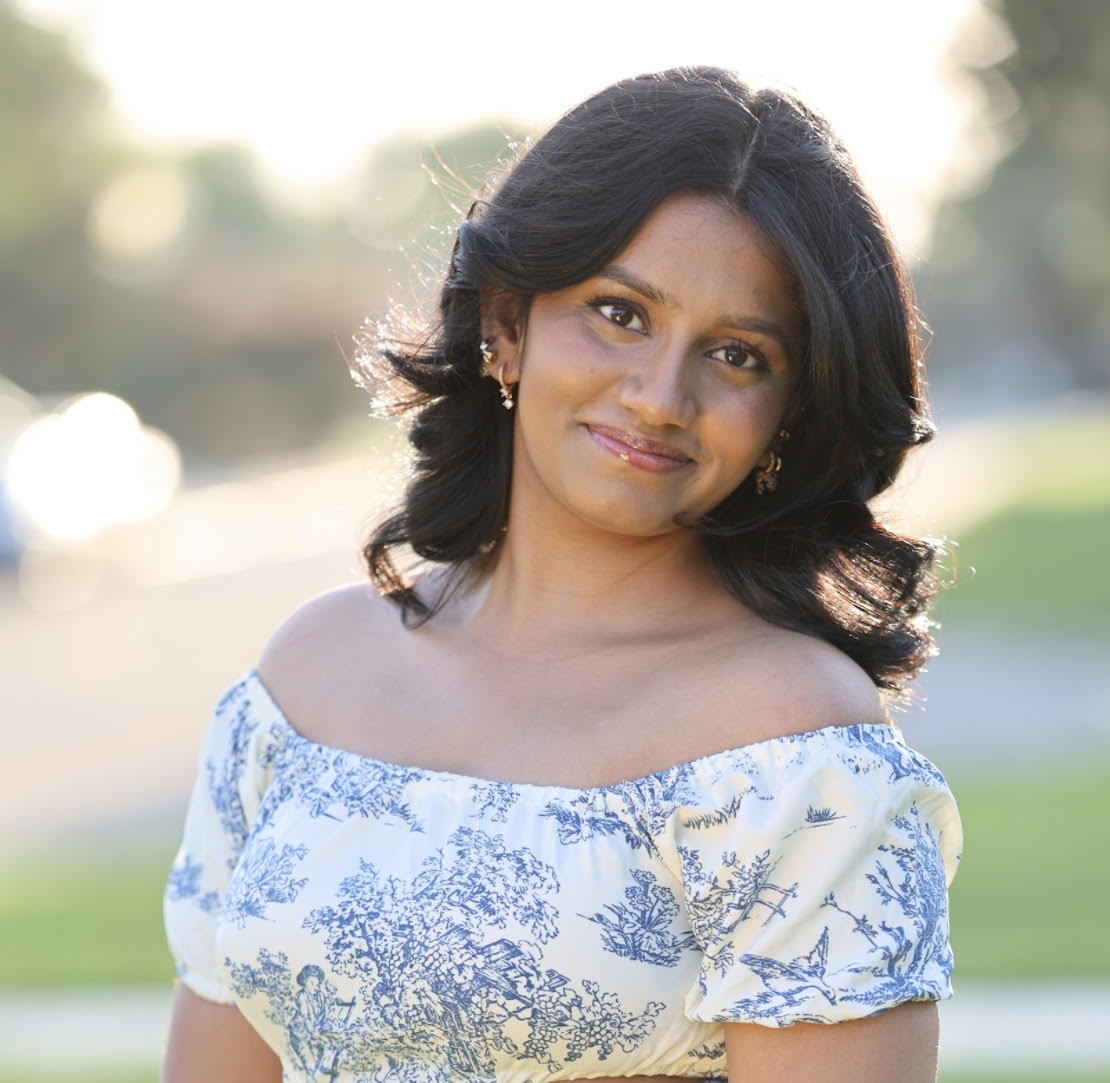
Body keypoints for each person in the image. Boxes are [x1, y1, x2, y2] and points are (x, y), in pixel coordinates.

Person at [161, 66, 962, 1082]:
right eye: (621, 314)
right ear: (505, 323)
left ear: (788, 415)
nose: (661, 395)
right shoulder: (305, 683)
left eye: (737, 355)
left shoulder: (794, 754)